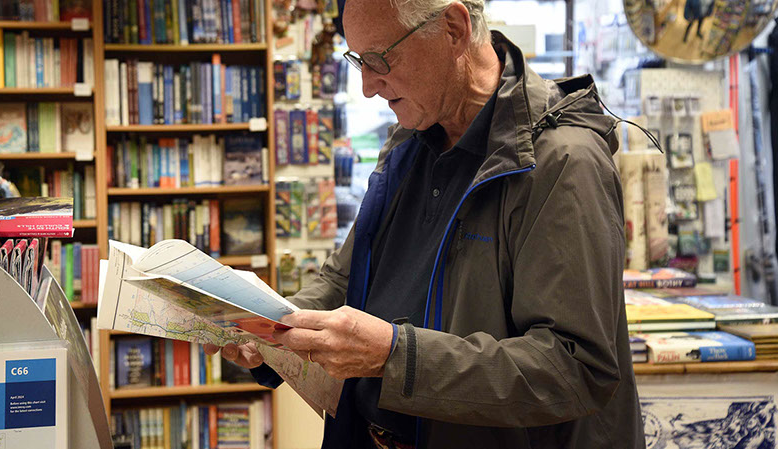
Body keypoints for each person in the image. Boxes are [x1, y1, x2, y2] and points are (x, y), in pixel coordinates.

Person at [205, 0, 644, 447]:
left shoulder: (562, 161)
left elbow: (574, 369)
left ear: (453, 28)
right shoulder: (409, 137)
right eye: (357, 60)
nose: (367, 88)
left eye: (379, 60)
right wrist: (270, 330)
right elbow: (349, 275)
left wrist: (396, 356)